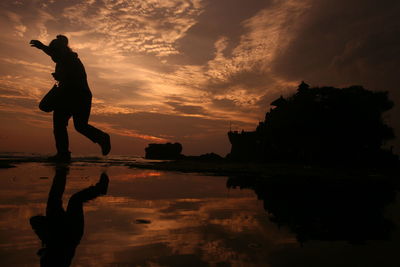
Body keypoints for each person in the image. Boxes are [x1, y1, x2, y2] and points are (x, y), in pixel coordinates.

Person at [30, 35, 111, 161]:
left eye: (54, 52)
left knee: (67, 125)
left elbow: (60, 58)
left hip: (75, 95)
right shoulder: (65, 59)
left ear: (60, 50)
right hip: (73, 95)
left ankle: (67, 152)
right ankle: (65, 152)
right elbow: (59, 58)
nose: (52, 56)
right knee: (72, 125)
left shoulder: (68, 58)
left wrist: (42, 47)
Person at [30, 167, 109, 267]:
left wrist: (45, 248)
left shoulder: (50, 259)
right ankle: (100, 189)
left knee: (56, 198)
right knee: (74, 200)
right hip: (70, 233)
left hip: (57, 228)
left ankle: (61, 172)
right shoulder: (60, 260)